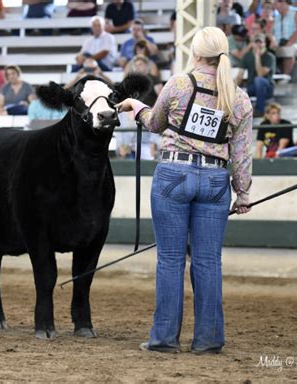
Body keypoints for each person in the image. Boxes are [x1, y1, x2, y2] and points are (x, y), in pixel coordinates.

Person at [116, 26, 253, 354]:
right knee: (208, 261)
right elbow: (242, 151)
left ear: (196, 53)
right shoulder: (238, 96)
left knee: (171, 259)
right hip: (215, 180)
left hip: (174, 173)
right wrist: (243, 193)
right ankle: (208, 340)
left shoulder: (178, 84)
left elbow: (154, 124)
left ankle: (163, 338)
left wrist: (136, 106)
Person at [236, 33, 275, 117]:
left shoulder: (270, 56)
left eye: (260, 42)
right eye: (256, 42)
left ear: (264, 43)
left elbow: (260, 74)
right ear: (252, 44)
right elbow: (240, 75)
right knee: (239, 89)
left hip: (267, 88)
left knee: (258, 79)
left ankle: (259, 110)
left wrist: (257, 57)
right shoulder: (247, 56)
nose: (258, 44)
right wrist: (232, 88)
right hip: (252, 87)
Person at [273, 0, 297, 75]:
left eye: (277, 3)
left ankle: (285, 76)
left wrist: (289, 43)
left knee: (289, 50)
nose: (275, 5)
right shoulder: (276, 17)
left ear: (284, 2)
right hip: (280, 43)